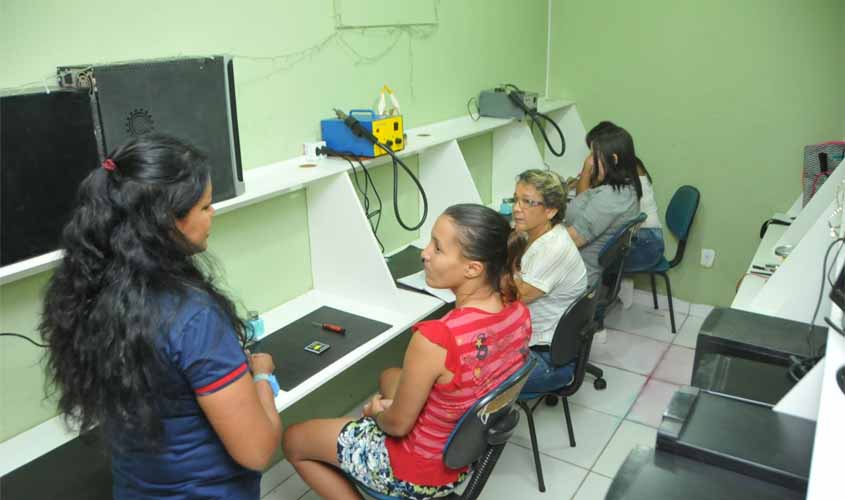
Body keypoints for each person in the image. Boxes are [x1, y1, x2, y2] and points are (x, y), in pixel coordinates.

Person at [39, 134, 282, 499]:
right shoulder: (194, 318)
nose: (212, 213)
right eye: (204, 206)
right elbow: (258, 450)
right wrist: (261, 376)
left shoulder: (92, 293)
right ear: (167, 221)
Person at [283, 204, 531, 500]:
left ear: (473, 268)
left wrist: (376, 413)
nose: (425, 253)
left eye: (438, 249)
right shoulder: (519, 312)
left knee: (294, 440)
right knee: (389, 375)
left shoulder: (436, 338)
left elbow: (398, 427)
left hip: (416, 470)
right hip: (463, 454)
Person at [511, 169, 588, 393]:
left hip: (547, 361)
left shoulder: (552, 249)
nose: (517, 209)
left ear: (551, 210)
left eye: (527, 202)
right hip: (547, 346)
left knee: (464, 378)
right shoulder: (540, 234)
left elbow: (513, 297)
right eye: (516, 199)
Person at [581, 122, 664, 306]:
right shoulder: (628, 166)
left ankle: (595, 309)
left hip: (647, 242)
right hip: (644, 236)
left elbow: (582, 201)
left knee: (588, 249)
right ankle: (609, 293)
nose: (592, 157)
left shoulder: (622, 181)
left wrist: (586, 170)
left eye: (595, 152)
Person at [566, 124, 642, 288]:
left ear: (613, 159)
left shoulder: (613, 198)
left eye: (594, 156)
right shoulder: (625, 187)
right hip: (580, 267)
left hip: (577, 275)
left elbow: (571, 240)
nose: (590, 162)